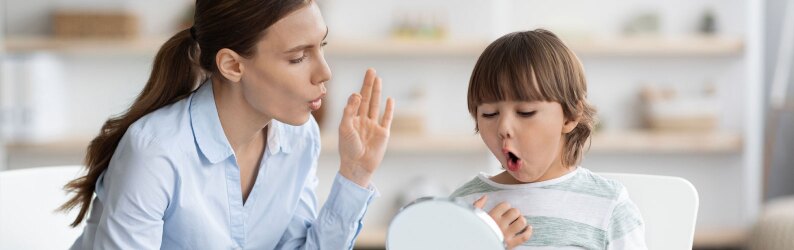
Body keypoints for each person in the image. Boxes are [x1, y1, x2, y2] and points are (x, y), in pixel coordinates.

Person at [60, 1, 395, 249]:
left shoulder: (299, 138)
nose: (325, 72)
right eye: (297, 57)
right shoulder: (156, 151)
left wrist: (356, 174)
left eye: (321, 46)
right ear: (233, 65)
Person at [450, 29, 647, 249]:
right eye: (489, 114)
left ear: (570, 116)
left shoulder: (609, 206)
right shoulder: (464, 206)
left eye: (525, 112)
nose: (503, 128)